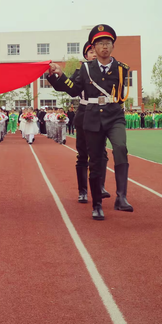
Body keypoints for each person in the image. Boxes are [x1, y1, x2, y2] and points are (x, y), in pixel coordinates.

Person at [48, 25, 133, 221]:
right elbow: (73, 89)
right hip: (92, 116)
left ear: (113, 46)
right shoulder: (86, 69)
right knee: (94, 161)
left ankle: (121, 198)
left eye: (108, 43)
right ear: (93, 47)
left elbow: (120, 95)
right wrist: (59, 75)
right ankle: (97, 204)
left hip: (114, 115)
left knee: (120, 147)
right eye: (100, 44)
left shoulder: (122, 69)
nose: (104, 47)